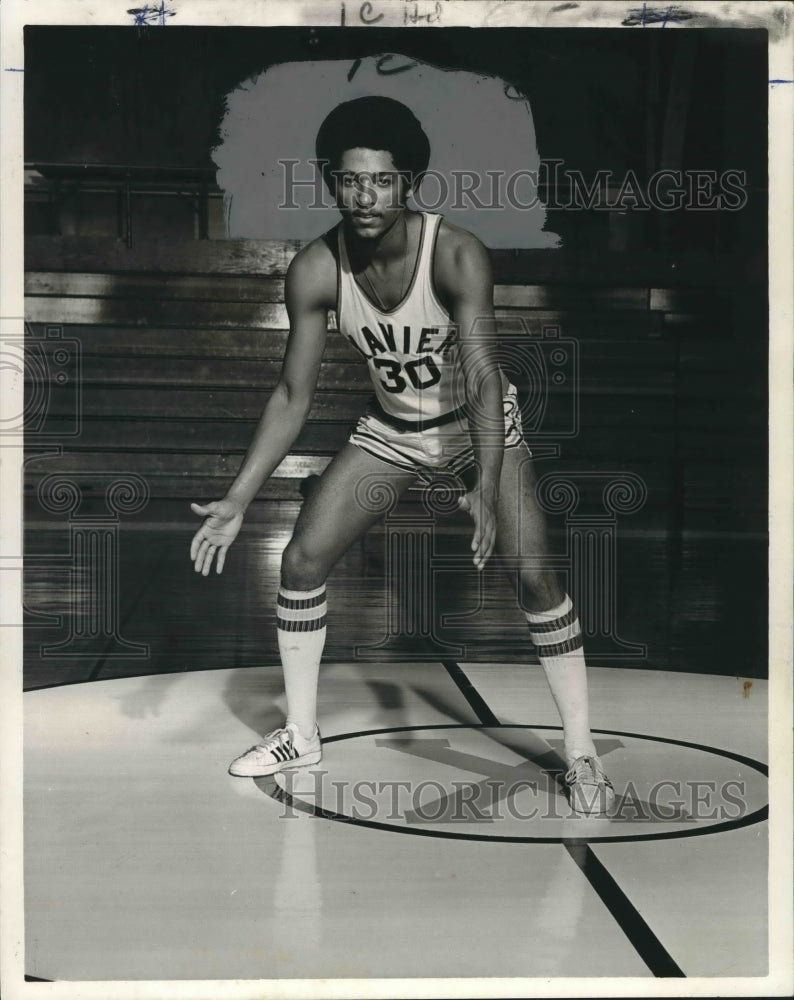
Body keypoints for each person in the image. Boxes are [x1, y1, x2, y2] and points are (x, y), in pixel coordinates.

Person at [189, 96, 615, 815]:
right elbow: (293, 395)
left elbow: (482, 374)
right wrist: (237, 497)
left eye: (381, 181)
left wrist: (482, 478)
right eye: (351, 181)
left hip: (476, 426)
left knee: (535, 575)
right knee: (299, 561)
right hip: (391, 432)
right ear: (331, 182)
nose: (365, 196)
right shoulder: (316, 270)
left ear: (407, 183)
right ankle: (300, 732)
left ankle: (580, 752)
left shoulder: (454, 253)